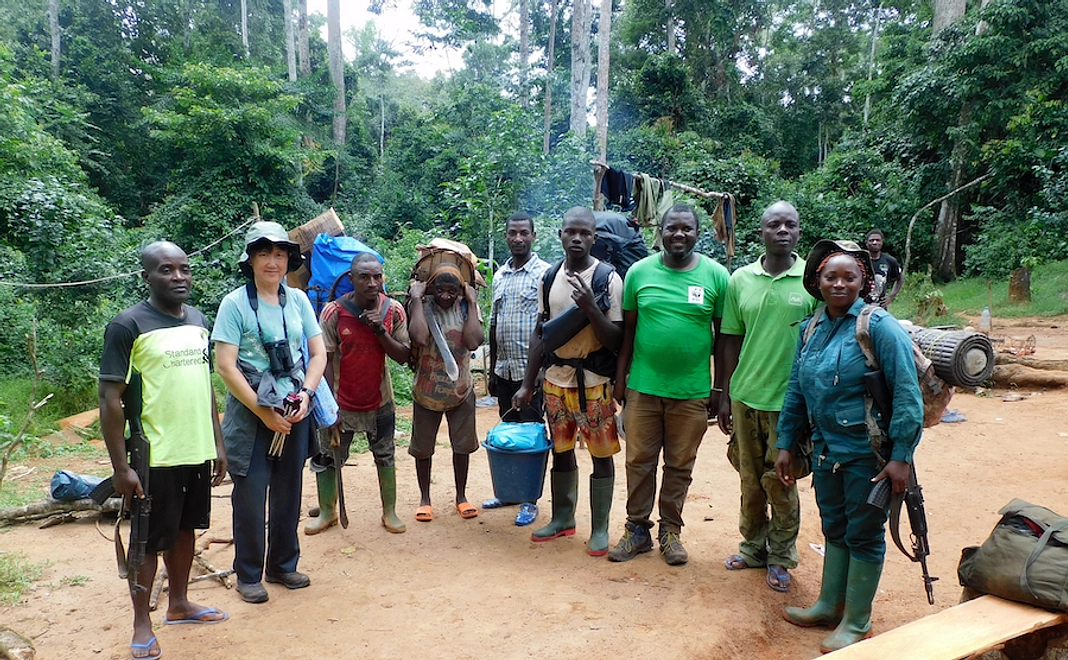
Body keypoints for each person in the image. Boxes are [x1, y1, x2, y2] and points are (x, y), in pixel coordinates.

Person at [774, 239, 923, 653]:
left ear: (864, 281)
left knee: (864, 533)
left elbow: (907, 395)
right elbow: (796, 391)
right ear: (817, 282)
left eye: (849, 277)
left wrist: (901, 457)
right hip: (825, 451)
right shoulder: (812, 326)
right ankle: (828, 605)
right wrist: (786, 441)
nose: (839, 284)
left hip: (867, 455)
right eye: (830, 277)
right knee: (834, 526)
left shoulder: (877, 327)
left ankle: (857, 622)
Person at [99, 242, 229, 660]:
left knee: (186, 529)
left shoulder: (197, 320)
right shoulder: (127, 326)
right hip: (153, 455)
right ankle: (142, 623)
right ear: (147, 277)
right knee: (145, 541)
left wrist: (217, 441)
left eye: (184, 269)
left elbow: (204, 386)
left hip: (195, 448)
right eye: (166, 270)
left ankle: (179, 603)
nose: (178, 277)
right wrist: (121, 467)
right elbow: (109, 398)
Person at [606, 204, 729, 565]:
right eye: (671, 228)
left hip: (691, 392)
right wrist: (620, 381)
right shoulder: (639, 273)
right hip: (643, 388)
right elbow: (628, 332)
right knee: (638, 461)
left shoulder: (716, 276)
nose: (679, 234)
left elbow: (723, 339)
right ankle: (637, 530)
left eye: (686, 229)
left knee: (679, 465)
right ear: (660, 231)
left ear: (697, 232)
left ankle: (670, 531)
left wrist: (719, 390)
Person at [212, 221, 326, 604]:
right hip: (251, 413)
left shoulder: (297, 300)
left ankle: (282, 565)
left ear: (288, 260)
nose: (272, 262)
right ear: (251, 260)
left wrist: (307, 395)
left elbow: (318, 353)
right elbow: (226, 366)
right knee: (250, 493)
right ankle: (247, 574)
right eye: (264, 253)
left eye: (279, 254)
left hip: (295, 409)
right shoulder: (234, 304)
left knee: (289, 490)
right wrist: (262, 414)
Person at [717, 201, 817, 592]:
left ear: (798, 232)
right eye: (773, 224)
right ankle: (753, 547)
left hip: (790, 403)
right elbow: (729, 339)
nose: (782, 231)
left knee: (782, 480)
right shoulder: (740, 280)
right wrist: (724, 394)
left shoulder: (811, 281)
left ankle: (781, 556)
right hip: (745, 397)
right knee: (749, 479)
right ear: (760, 232)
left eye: (789, 224)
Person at [514, 206, 623, 557]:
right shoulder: (549, 276)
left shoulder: (608, 278)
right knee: (561, 451)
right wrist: (528, 382)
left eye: (584, 233)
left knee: (600, 453)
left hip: (594, 381)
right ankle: (563, 518)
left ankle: (601, 527)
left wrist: (591, 307)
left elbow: (617, 340)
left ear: (594, 237)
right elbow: (540, 334)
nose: (577, 238)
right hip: (556, 381)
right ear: (560, 234)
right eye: (570, 232)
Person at [305, 252, 411, 535]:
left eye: (377, 276)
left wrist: (379, 330)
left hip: (380, 401)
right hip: (342, 402)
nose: (372, 282)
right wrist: (328, 409)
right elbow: (322, 359)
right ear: (352, 279)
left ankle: (389, 511)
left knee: (385, 455)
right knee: (328, 456)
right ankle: (328, 511)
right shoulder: (333, 312)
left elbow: (403, 356)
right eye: (364, 277)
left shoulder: (394, 311)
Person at [484, 212, 551, 526]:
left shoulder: (545, 274)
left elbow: (550, 327)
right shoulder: (500, 275)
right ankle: (509, 492)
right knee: (509, 434)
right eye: (512, 233)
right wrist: (491, 370)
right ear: (507, 235)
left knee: (532, 436)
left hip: (531, 372)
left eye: (524, 233)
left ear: (533, 236)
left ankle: (529, 499)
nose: (518, 239)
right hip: (505, 370)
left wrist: (541, 371)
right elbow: (494, 325)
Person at [407, 262, 485, 522]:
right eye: (440, 289)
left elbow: (474, 341)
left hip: (460, 392)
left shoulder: (466, 307)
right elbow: (418, 337)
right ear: (431, 288)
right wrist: (417, 300)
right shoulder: (421, 305)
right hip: (426, 393)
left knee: (462, 447)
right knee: (423, 448)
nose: (446, 295)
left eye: (452, 290)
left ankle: (461, 497)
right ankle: (424, 499)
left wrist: (472, 303)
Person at [863, 229, 902, 309]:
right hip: (861, 305)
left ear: (882, 242)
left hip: (880, 306)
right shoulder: (860, 260)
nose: (875, 242)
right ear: (866, 243)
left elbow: (900, 279)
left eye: (878, 240)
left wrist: (891, 296)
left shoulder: (890, 261)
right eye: (871, 240)